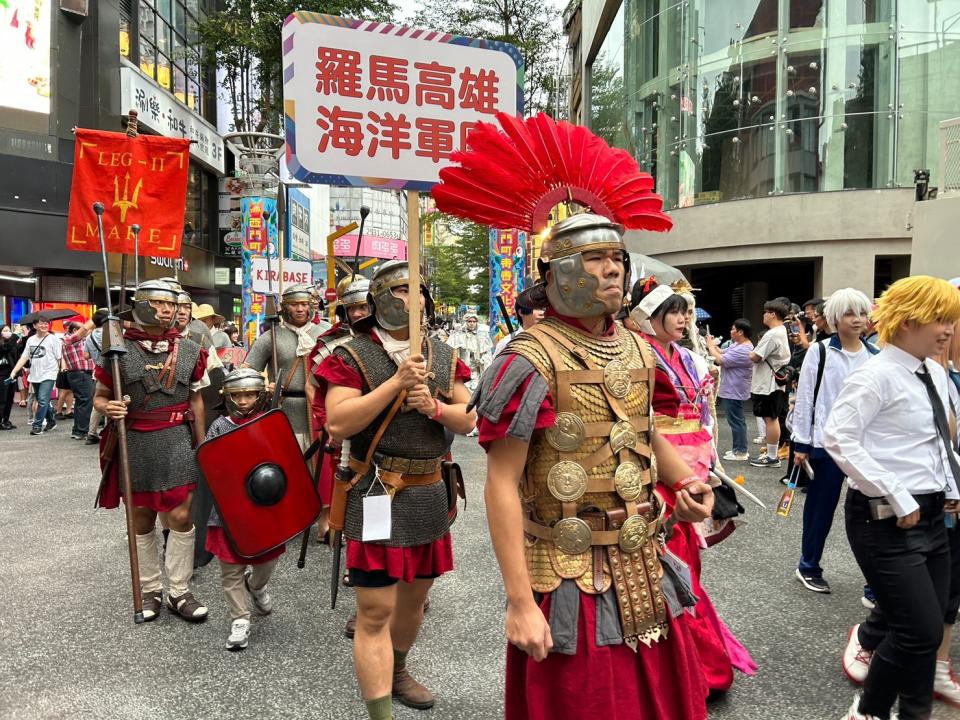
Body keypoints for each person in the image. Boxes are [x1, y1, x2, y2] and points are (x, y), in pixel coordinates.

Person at [469, 213, 715, 720]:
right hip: (567, 570)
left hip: (644, 558)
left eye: (617, 259)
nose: (612, 271)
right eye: (595, 259)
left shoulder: (634, 346)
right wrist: (518, 602)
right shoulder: (527, 359)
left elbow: (643, 430)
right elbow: (501, 484)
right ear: (557, 271)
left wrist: (684, 479)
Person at [317, 261, 475, 719]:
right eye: (401, 289)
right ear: (380, 298)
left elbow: (471, 420)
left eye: (418, 290)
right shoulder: (350, 355)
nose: (413, 299)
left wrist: (436, 409)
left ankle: (398, 669)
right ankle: (380, 712)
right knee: (375, 609)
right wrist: (396, 383)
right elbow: (339, 423)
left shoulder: (443, 355)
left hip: (428, 490)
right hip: (376, 491)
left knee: (416, 602)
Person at [823, 275, 960, 720]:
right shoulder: (876, 374)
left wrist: (951, 488)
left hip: (934, 513)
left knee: (928, 622)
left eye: (951, 321)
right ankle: (868, 711)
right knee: (917, 629)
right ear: (906, 321)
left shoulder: (935, 372)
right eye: (939, 320)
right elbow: (839, 438)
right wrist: (898, 495)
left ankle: (913, 713)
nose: (947, 330)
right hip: (884, 517)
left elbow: (937, 442)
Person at [629, 279, 755, 693]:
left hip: (693, 462)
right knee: (668, 558)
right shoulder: (635, 354)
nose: (684, 318)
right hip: (654, 465)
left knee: (687, 560)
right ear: (650, 314)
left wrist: (710, 464)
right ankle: (689, 665)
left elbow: (703, 415)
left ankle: (690, 660)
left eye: (686, 310)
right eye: (674, 310)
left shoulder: (686, 356)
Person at [92, 279, 211, 622]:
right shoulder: (117, 350)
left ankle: (179, 590)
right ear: (141, 304)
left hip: (176, 439)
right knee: (141, 520)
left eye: (171, 305)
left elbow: (197, 401)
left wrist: (202, 445)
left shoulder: (190, 350)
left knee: (181, 518)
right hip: (136, 442)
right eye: (159, 303)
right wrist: (108, 407)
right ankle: (150, 588)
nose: (167, 310)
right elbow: (100, 395)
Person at [790, 289, 877, 594]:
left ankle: (875, 582)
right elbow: (806, 397)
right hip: (825, 444)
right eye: (850, 314)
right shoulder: (821, 351)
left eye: (862, 313)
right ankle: (808, 565)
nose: (857, 320)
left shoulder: (874, 356)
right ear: (835, 319)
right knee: (820, 509)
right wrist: (801, 444)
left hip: (863, 447)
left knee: (871, 514)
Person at [309, 274, 372, 637]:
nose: (360, 312)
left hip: (400, 444)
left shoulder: (401, 338)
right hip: (349, 443)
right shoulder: (332, 344)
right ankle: (364, 589)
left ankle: (411, 586)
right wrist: (331, 430)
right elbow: (320, 395)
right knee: (354, 516)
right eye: (354, 307)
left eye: (365, 305)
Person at [204, 368, 283, 651]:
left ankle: (258, 585)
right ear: (228, 397)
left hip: (263, 506)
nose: (243, 401)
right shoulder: (219, 426)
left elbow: (283, 462)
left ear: (260, 395)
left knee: (266, 560)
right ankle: (239, 619)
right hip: (230, 507)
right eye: (237, 395)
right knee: (230, 569)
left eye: (249, 394)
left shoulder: (271, 421)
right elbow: (212, 465)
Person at [244, 283, 324, 451]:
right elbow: (245, 374)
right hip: (285, 412)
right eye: (294, 305)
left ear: (310, 306)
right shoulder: (271, 337)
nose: (300, 309)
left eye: (304, 304)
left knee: (320, 472)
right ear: (284, 308)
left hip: (322, 411)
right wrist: (265, 388)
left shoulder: (325, 333)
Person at [748, 299, 791, 468]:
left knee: (770, 418)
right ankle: (772, 453)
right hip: (775, 381)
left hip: (768, 383)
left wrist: (751, 352)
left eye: (765, 312)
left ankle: (772, 456)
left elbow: (755, 356)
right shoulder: (781, 331)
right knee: (771, 417)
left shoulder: (772, 333)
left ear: (772, 314)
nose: (763, 315)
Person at [706, 319, 754, 461]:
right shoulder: (738, 345)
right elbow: (721, 352)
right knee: (736, 420)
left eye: (733, 329)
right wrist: (713, 345)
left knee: (736, 421)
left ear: (740, 332)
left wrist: (709, 345)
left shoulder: (744, 349)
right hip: (732, 388)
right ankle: (738, 448)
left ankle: (740, 451)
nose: (731, 331)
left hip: (735, 389)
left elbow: (720, 359)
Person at [7, 317, 63, 435]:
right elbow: (24, 357)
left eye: (46, 323)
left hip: (49, 373)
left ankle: (37, 426)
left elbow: (59, 357)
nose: (44, 325)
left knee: (42, 400)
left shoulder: (53, 339)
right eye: (41, 324)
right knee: (43, 400)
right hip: (35, 374)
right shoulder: (31, 340)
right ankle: (51, 422)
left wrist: (61, 370)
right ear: (35, 326)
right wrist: (14, 371)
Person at [61, 314, 105, 440]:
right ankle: (82, 430)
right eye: (79, 329)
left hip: (77, 374)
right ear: (75, 331)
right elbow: (85, 330)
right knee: (85, 401)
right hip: (79, 373)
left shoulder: (73, 341)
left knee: (81, 401)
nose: (85, 331)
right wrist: (97, 318)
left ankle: (78, 430)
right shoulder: (69, 340)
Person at [0, 326, 20, 430]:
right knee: (2, 399)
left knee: (9, 399)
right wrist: (15, 336)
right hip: (1, 375)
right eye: (5, 331)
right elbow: (4, 349)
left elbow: (17, 357)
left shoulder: (13, 344)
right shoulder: (4, 344)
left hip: (11, 375)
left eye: (9, 330)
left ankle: (6, 420)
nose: (8, 332)